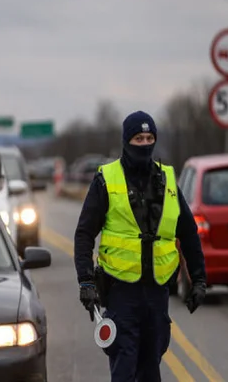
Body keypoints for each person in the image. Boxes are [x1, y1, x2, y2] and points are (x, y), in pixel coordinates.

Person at [73, 110, 207, 382]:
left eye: (149, 138)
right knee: (124, 366)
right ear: (126, 141)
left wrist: (199, 278)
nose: (144, 144)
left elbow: (188, 232)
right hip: (121, 292)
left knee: (151, 368)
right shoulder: (106, 179)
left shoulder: (167, 180)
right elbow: (84, 233)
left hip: (157, 293)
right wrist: (86, 281)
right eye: (138, 138)